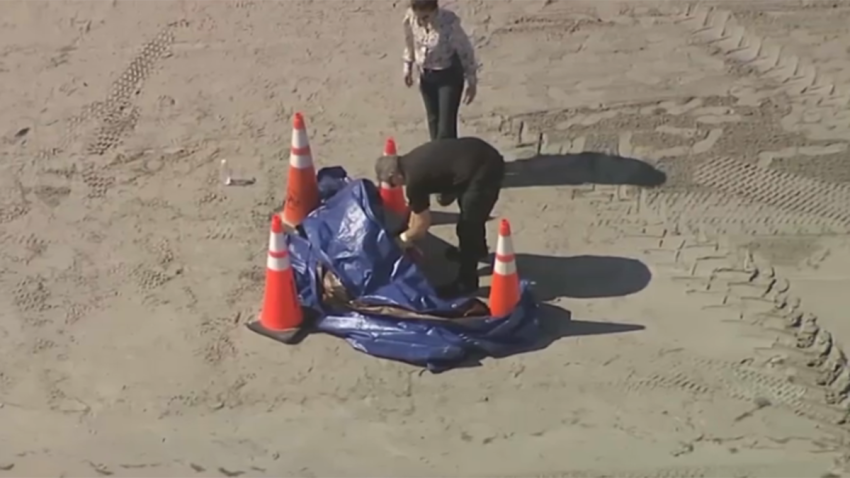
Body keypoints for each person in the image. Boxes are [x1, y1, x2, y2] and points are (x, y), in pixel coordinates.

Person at [375, 137, 505, 297]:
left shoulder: (415, 181)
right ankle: (477, 250)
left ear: (393, 174)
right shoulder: (411, 162)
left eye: (392, 183)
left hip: (484, 170)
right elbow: (416, 213)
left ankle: (467, 282)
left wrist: (402, 240)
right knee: (471, 213)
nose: (396, 187)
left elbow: (422, 225)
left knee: (468, 227)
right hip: (477, 154)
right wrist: (407, 231)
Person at [403, 0, 478, 142]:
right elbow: (410, 42)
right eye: (418, 17)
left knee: (446, 129)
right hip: (426, 77)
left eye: (425, 17)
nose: (421, 22)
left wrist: (472, 80)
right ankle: (440, 161)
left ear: (434, 11)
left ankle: (448, 161)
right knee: (433, 122)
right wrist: (408, 66)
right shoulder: (411, 18)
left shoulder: (449, 24)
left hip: (448, 76)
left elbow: (465, 51)